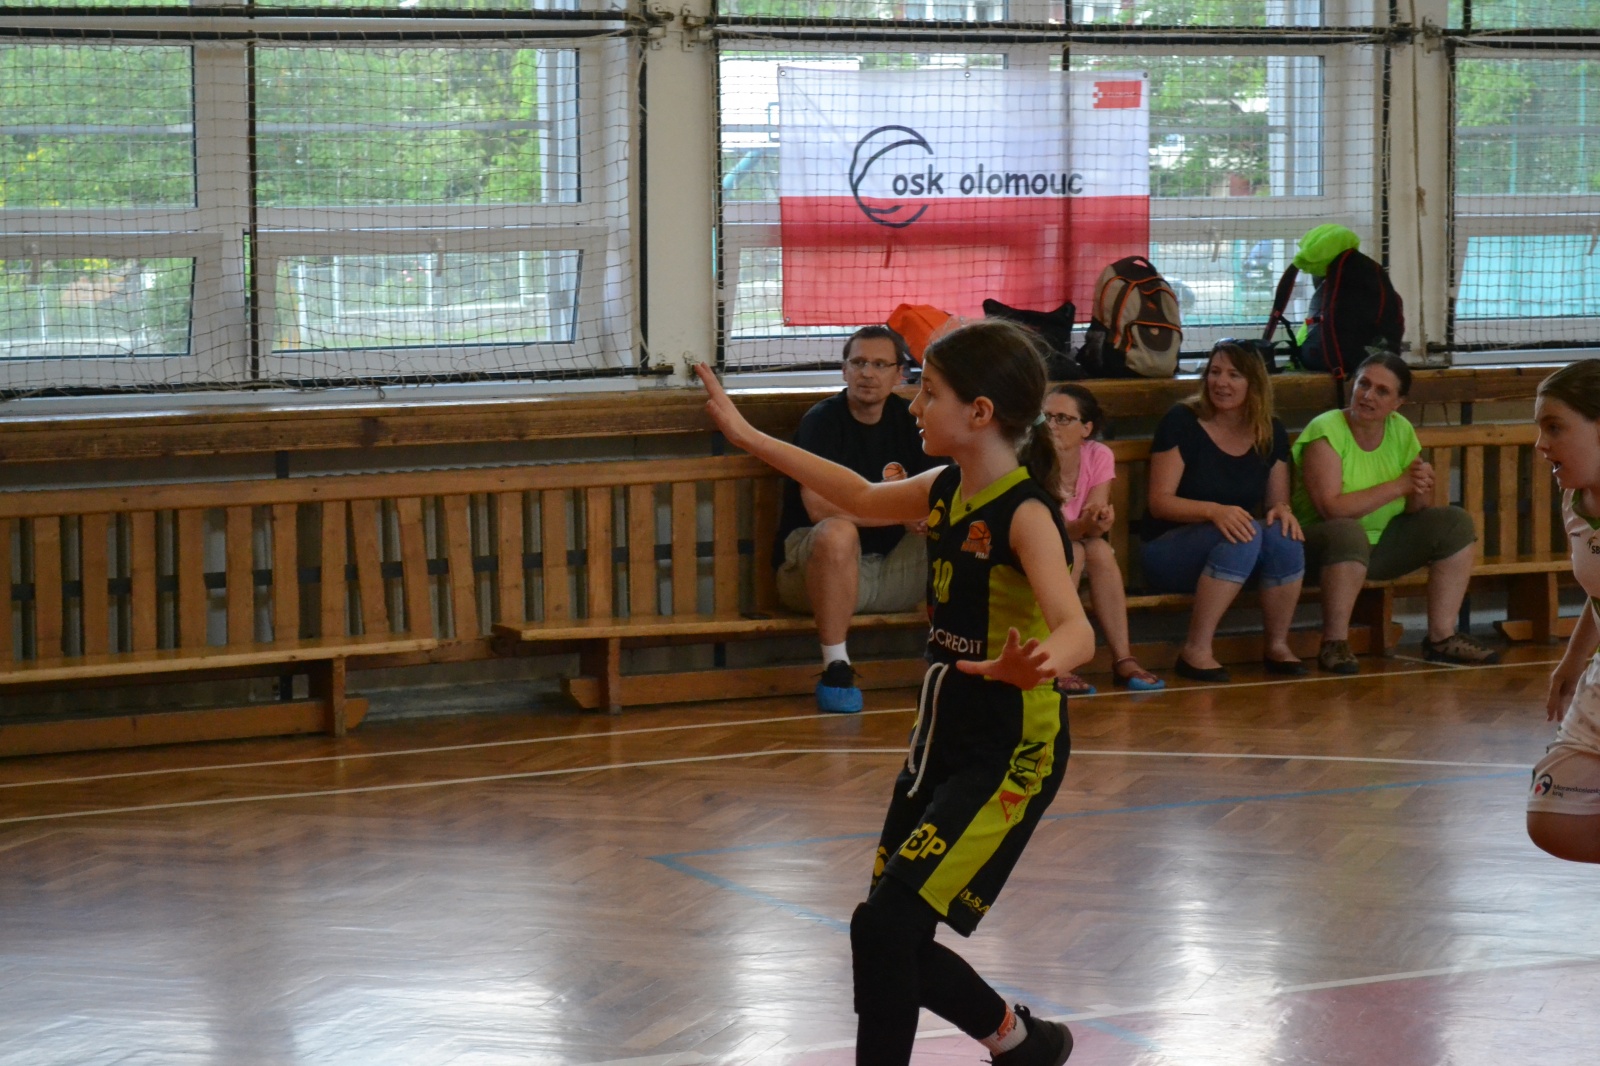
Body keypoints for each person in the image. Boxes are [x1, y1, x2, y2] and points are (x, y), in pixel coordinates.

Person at [696, 318, 1091, 1066]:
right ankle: (1021, 1043)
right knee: (883, 930)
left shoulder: (1025, 513)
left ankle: (1022, 1043)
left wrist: (1035, 663)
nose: (914, 405)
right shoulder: (944, 488)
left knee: (886, 927)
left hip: (1010, 749)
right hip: (941, 732)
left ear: (979, 412)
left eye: (929, 392)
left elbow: (1079, 630)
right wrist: (746, 435)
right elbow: (853, 492)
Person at [1291, 352, 1498, 674]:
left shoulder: (1400, 430)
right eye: (1363, 384)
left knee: (1454, 523)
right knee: (1347, 530)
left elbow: (1417, 508)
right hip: (1320, 548)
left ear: (1398, 403)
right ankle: (1334, 642)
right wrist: (1399, 485)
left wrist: (1420, 486)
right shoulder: (1326, 429)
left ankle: (1441, 637)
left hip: (1382, 544)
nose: (1368, 395)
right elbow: (1331, 509)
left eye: (1382, 391)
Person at [776, 325, 940, 713]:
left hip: (894, 572)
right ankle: (836, 667)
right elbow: (819, 508)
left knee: (956, 524)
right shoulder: (822, 422)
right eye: (859, 363)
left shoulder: (913, 421)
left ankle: (950, 663)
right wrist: (900, 516)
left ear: (899, 374)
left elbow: (937, 493)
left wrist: (926, 517)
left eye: (880, 364)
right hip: (816, 574)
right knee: (837, 531)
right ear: (844, 370)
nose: (868, 373)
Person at [1142, 341, 1306, 682]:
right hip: (1169, 548)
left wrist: (1283, 511)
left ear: (1254, 383)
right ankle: (1196, 650)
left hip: (1236, 548)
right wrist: (1213, 512)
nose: (1221, 382)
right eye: (1215, 372)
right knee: (1245, 533)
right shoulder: (1182, 421)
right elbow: (1160, 502)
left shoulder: (1270, 430)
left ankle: (1277, 645)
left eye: (1234, 375)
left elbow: (1276, 503)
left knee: (1284, 534)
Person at [1044, 383, 1163, 694]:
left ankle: (1123, 659)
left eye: (1062, 418)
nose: (1052, 425)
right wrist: (1084, 527)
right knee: (1076, 552)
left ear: (1086, 428)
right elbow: (1046, 532)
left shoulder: (1098, 455)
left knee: (1098, 549)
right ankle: (1058, 662)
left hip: (1072, 542)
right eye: (1046, 417)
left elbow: (1092, 527)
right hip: (1034, 548)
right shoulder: (1030, 459)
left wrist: (1098, 521)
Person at [1528, 359, 1600, 863]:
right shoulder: (1575, 500)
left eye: (1554, 427)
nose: (1541, 444)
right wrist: (1573, 662)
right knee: (1552, 819)